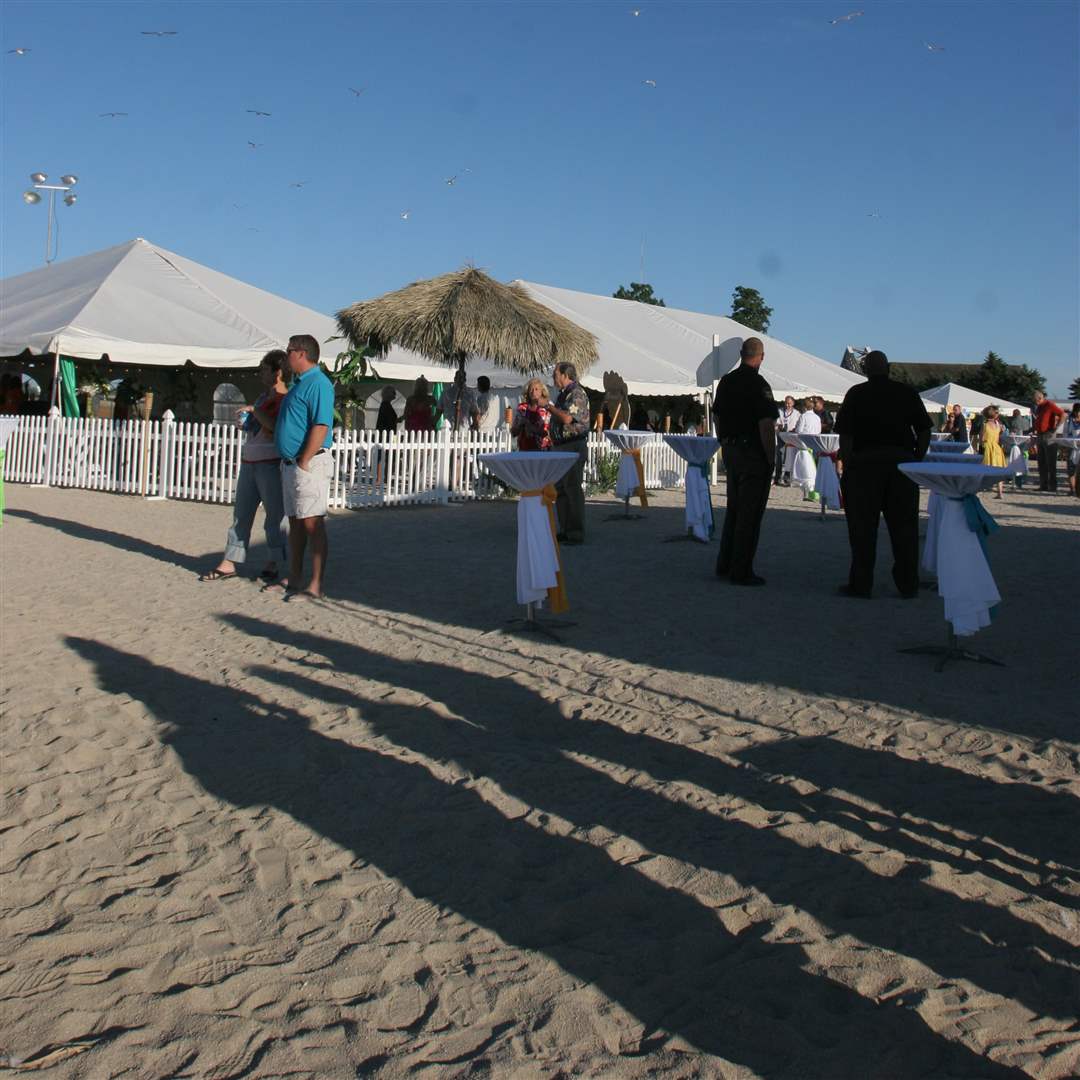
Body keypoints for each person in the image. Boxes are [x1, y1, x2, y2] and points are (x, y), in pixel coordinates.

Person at [834, 350, 931, 599]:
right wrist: (916, 458)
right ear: (888, 368)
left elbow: (845, 434)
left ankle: (861, 584)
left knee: (862, 529)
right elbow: (923, 429)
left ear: (866, 370)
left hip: (865, 465)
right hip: (901, 464)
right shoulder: (906, 392)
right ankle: (908, 584)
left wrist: (848, 464)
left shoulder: (856, 394)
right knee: (905, 529)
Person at [200, 349, 289, 583]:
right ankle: (230, 561)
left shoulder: (284, 399)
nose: (261, 373)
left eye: (265, 369)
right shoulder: (263, 397)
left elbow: (275, 428)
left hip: (270, 462)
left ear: (277, 372)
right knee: (241, 515)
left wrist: (255, 412)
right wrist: (247, 421)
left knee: (274, 517)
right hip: (250, 461)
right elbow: (258, 424)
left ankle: (273, 562)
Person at [272, 334, 335, 601]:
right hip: (293, 462)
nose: (286, 356)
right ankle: (295, 578)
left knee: (312, 523)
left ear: (301, 353)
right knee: (296, 523)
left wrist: (304, 460)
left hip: (308, 462)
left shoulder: (318, 383)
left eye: (289, 351)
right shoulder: (299, 383)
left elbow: (321, 425)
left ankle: (315, 585)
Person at [712, 337, 776, 586]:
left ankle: (724, 563)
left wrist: (724, 443)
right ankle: (741, 570)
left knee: (734, 509)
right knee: (749, 514)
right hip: (752, 455)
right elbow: (766, 426)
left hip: (732, 451)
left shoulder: (727, 382)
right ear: (761, 357)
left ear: (740, 354)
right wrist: (770, 459)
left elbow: (716, 416)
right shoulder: (760, 385)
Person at [549, 362, 591, 544]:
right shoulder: (563, 394)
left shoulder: (576, 393)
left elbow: (567, 418)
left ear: (565, 375)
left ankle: (575, 532)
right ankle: (566, 529)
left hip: (572, 445)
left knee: (572, 488)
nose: (553, 378)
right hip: (562, 446)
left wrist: (548, 407)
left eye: (555, 374)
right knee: (561, 489)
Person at [1032, 390, 1065, 492]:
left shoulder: (1050, 405)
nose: (1034, 402)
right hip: (1040, 435)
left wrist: (1056, 428)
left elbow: (1062, 414)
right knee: (1041, 462)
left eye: (1035, 400)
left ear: (1040, 398)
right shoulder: (1039, 407)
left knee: (1050, 462)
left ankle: (1052, 486)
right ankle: (1043, 484)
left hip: (1048, 435)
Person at [510, 378, 553, 450]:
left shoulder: (548, 407)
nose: (533, 392)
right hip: (525, 449)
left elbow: (550, 432)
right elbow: (514, 432)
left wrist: (531, 428)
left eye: (536, 389)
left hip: (544, 449)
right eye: (531, 389)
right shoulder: (522, 408)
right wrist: (520, 425)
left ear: (542, 392)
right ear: (528, 392)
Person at [792, 399, 822, 500]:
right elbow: (819, 431)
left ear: (804, 407)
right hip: (815, 444)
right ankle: (813, 493)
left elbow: (799, 431)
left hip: (805, 446)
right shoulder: (817, 417)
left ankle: (808, 494)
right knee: (814, 470)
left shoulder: (803, 416)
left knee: (806, 470)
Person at [978, 405, 1006, 499]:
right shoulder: (998, 424)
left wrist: (982, 444)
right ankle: (1000, 492)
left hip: (988, 447)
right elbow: (999, 437)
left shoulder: (985, 424)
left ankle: (980, 489)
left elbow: (981, 438)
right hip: (997, 447)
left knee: (984, 468)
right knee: (999, 470)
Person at [774, 396, 800, 485]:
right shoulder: (780, 411)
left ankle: (787, 477)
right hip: (781, 436)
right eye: (786, 403)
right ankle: (777, 477)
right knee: (779, 457)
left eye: (789, 403)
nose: (787, 405)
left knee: (789, 457)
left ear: (793, 403)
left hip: (791, 437)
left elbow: (798, 426)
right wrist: (779, 426)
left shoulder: (797, 413)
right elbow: (776, 423)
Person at [1064, 403, 1080, 497]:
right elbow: (1066, 432)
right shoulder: (1069, 419)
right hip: (1071, 446)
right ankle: (1072, 489)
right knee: (1071, 469)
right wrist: (1066, 443)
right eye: (1077, 412)